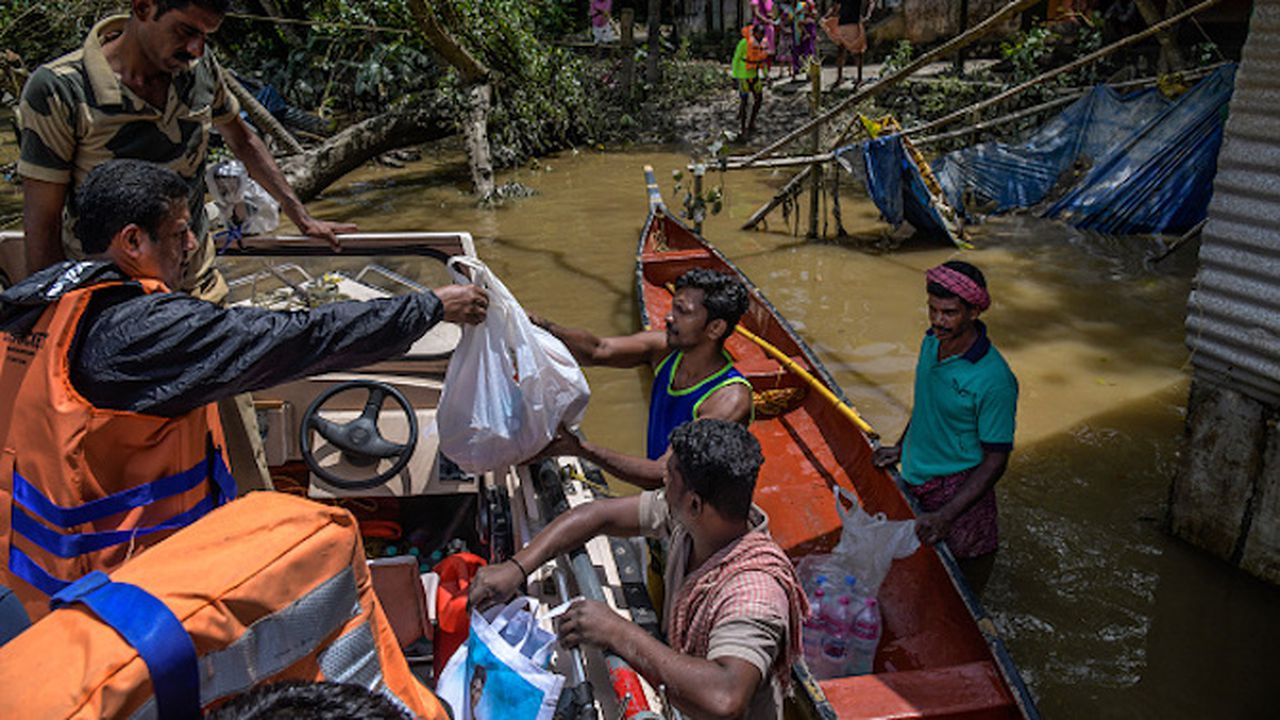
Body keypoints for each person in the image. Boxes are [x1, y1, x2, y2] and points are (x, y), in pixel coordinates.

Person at [0, 160, 488, 619]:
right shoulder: (144, 332)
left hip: (34, 590)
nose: (192, 244)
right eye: (179, 232)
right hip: (129, 595)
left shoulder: (38, 305)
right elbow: (302, 338)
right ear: (132, 241)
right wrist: (429, 307)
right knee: (328, 545)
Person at [16, 0, 358, 491]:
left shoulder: (198, 70)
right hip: (116, 314)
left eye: (207, 36)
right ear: (143, 8)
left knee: (240, 454)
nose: (196, 47)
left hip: (198, 291)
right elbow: (41, 221)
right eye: (185, 31)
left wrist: (299, 215)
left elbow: (241, 138)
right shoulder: (62, 88)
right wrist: (52, 334)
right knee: (129, 467)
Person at [470, 419, 808, 720]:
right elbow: (598, 515)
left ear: (694, 504)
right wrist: (517, 566)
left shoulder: (755, 592)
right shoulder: (693, 520)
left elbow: (725, 698)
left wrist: (617, 631)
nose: (662, 479)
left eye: (669, 475)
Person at [530, 267, 753, 490]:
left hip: (696, 512)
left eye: (682, 312)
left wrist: (580, 449)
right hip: (665, 494)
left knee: (593, 518)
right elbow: (597, 350)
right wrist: (538, 326)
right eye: (673, 306)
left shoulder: (729, 399)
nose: (668, 317)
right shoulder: (664, 350)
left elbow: (663, 473)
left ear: (715, 328)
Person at [871, 261, 1018, 595]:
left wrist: (947, 515)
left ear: (974, 312)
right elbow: (927, 403)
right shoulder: (931, 342)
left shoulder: (994, 379)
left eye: (949, 313)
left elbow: (997, 459)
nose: (938, 321)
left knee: (962, 587)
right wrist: (901, 446)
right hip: (918, 473)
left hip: (960, 490)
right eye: (932, 309)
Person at [822, 0, 876, 88]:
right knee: (843, 51)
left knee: (855, 52)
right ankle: (841, 78)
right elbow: (835, 6)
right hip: (844, 22)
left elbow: (871, 2)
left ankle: (857, 79)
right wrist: (826, 17)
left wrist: (868, 15)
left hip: (851, 22)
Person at [731, 24, 770, 140]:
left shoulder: (762, 44)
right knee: (744, 102)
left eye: (762, 35)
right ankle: (743, 129)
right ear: (754, 33)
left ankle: (751, 123)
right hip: (743, 76)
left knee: (759, 99)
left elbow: (763, 61)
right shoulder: (744, 43)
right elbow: (736, 58)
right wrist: (734, 76)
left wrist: (766, 75)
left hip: (755, 76)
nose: (760, 37)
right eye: (759, 34)